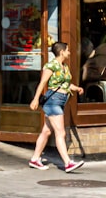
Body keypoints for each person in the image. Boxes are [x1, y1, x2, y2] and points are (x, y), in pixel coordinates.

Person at [28, 41, 85, 172]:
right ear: (61, 52)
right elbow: (43, 83)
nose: (69, 52)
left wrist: (76, 88)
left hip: (61, 101)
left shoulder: (64, 66)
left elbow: (65, 84)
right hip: (53, 101)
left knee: (47, 131)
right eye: (68, 50)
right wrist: (35, 99)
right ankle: (67, 163)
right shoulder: (51, 65)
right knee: (61, 132)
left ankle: (35, 159)